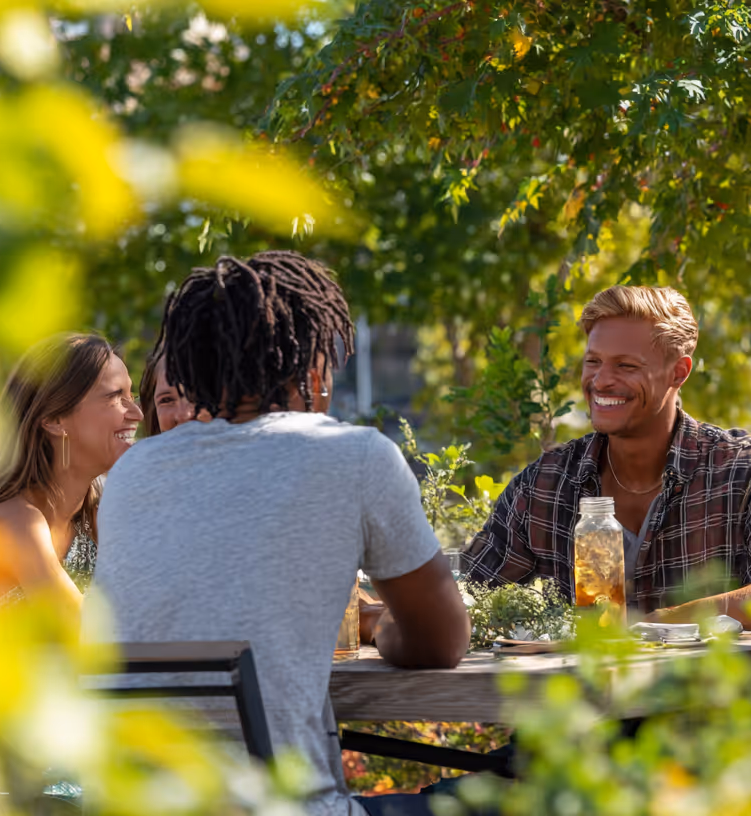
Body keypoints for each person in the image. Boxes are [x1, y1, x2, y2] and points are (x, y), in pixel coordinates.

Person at [86, 250, 470, 816]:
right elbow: (443, 642)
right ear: (311, 367)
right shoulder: (353, 455)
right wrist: (379, 628)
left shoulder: (133, 472)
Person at [463, 285, 751, 629]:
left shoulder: (749, 472)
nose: (601, 380)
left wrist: (653, 627)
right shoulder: (543, 486)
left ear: (679, 372)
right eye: (593, 361)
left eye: (626, 365)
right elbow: (469, 595)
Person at [0, 333, 144, 613]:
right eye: (116, 397)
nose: (136, 413)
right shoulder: (13, 520)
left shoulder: (98, 514)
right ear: (55, 420)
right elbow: (85, 634)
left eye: (132, 395)